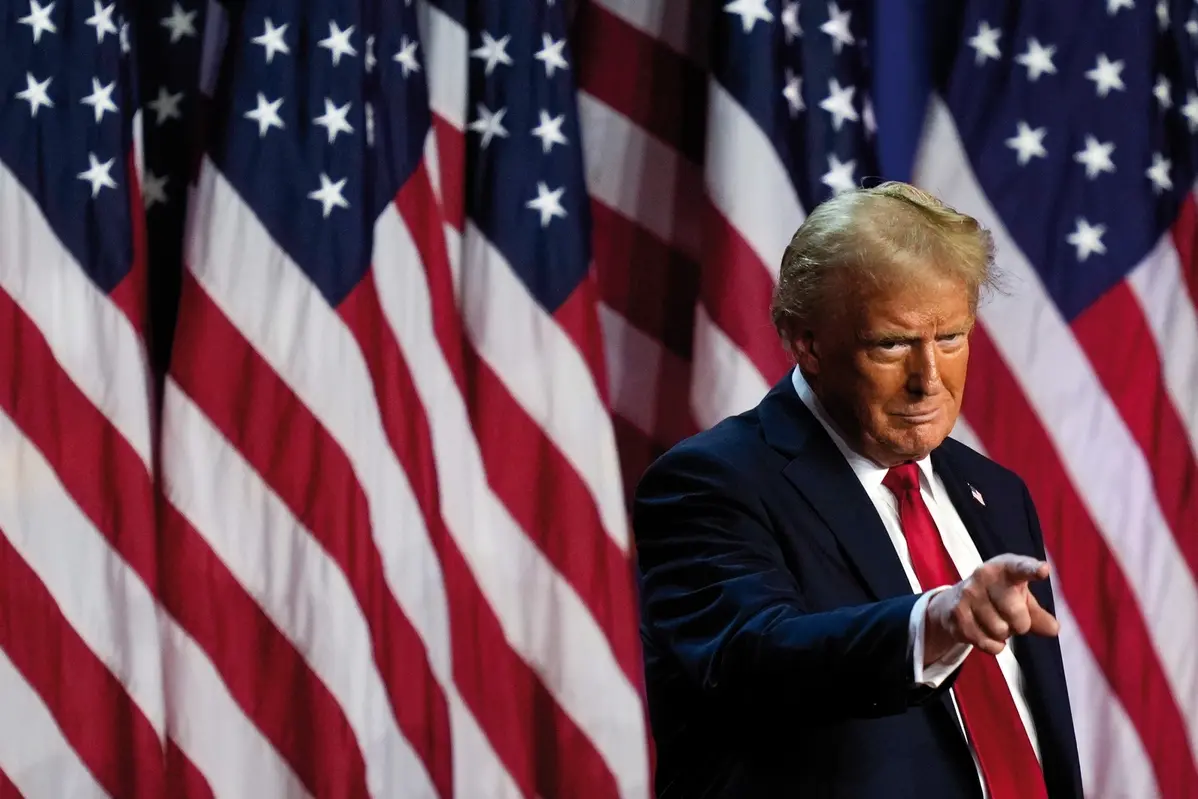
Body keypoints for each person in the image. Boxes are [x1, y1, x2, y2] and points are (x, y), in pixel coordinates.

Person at [632, 182, 1084, 798]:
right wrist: (936, 621)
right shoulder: (711, 484)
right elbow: (758, 658)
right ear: (807, 343)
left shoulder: (995, 493)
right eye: (892, 344)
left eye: (950, 337)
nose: (929, 379)